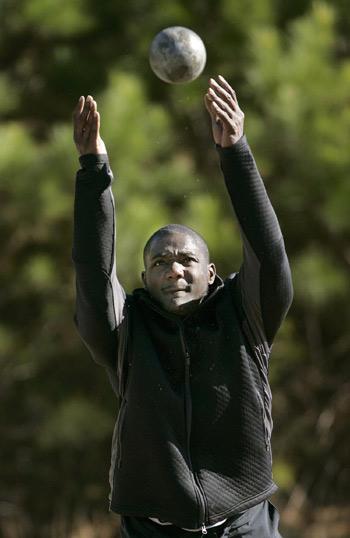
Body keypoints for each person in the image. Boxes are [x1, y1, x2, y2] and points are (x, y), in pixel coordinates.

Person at [72, 76, 293, 538]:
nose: (174, 270)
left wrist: (235, 151)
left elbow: (268, 255)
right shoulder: (126, 331)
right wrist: (94, 169)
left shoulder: (245, 318)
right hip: (154, 527)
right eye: (161, 263)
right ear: (145, 279)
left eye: (187, 259)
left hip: (244, 524)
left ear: (210, 273)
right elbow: (94, 275)